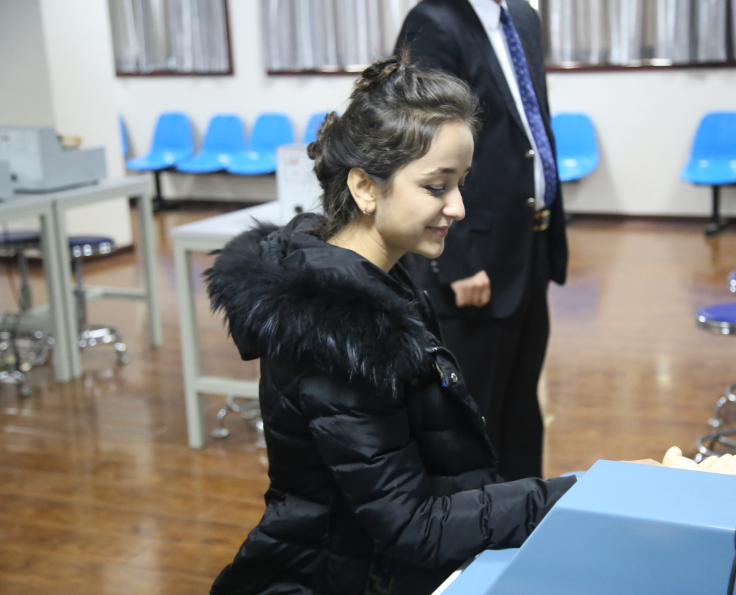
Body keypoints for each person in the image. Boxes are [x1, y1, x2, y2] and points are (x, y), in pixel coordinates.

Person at [204, 56, 576, 595]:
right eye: (437, 187)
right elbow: (412, 524)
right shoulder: (340, 331)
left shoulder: (377, 280)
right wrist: (574, 496)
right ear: (365, 187)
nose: (459, 207)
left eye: (461, 183)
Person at [396, 0, 566, 481]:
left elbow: (532, 125)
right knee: (473, 417)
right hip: (473, 258)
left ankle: (526, 512)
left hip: (529, 243)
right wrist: (458, 259)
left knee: (522, 406)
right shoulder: (433, 21)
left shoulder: (523, 17)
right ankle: (477, 524)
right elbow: (420, 149)